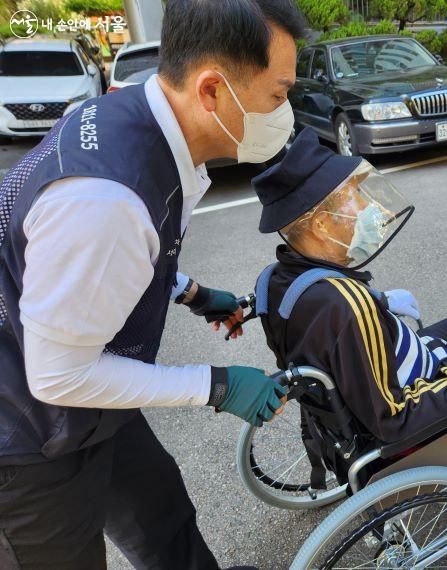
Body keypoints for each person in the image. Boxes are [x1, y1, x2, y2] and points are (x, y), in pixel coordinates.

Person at [0, 1, 306, 568]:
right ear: (212, 90)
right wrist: (214, 384)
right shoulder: (103, 199)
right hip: (27, 432)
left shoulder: (138, 120)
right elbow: (58, 375)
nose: (283, 111)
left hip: (87, 396)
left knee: (162, 519)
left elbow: (115, 265)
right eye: (279, 94)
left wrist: (191, 293)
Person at [248, 128, 447, 449]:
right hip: (415, 387)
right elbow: (394, 419)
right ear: (320, 224)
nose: (365, 208)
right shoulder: (349, 309)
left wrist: (382, 300)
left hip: (391, 361)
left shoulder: (275, 280)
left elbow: (330, 327)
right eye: (353, 199)